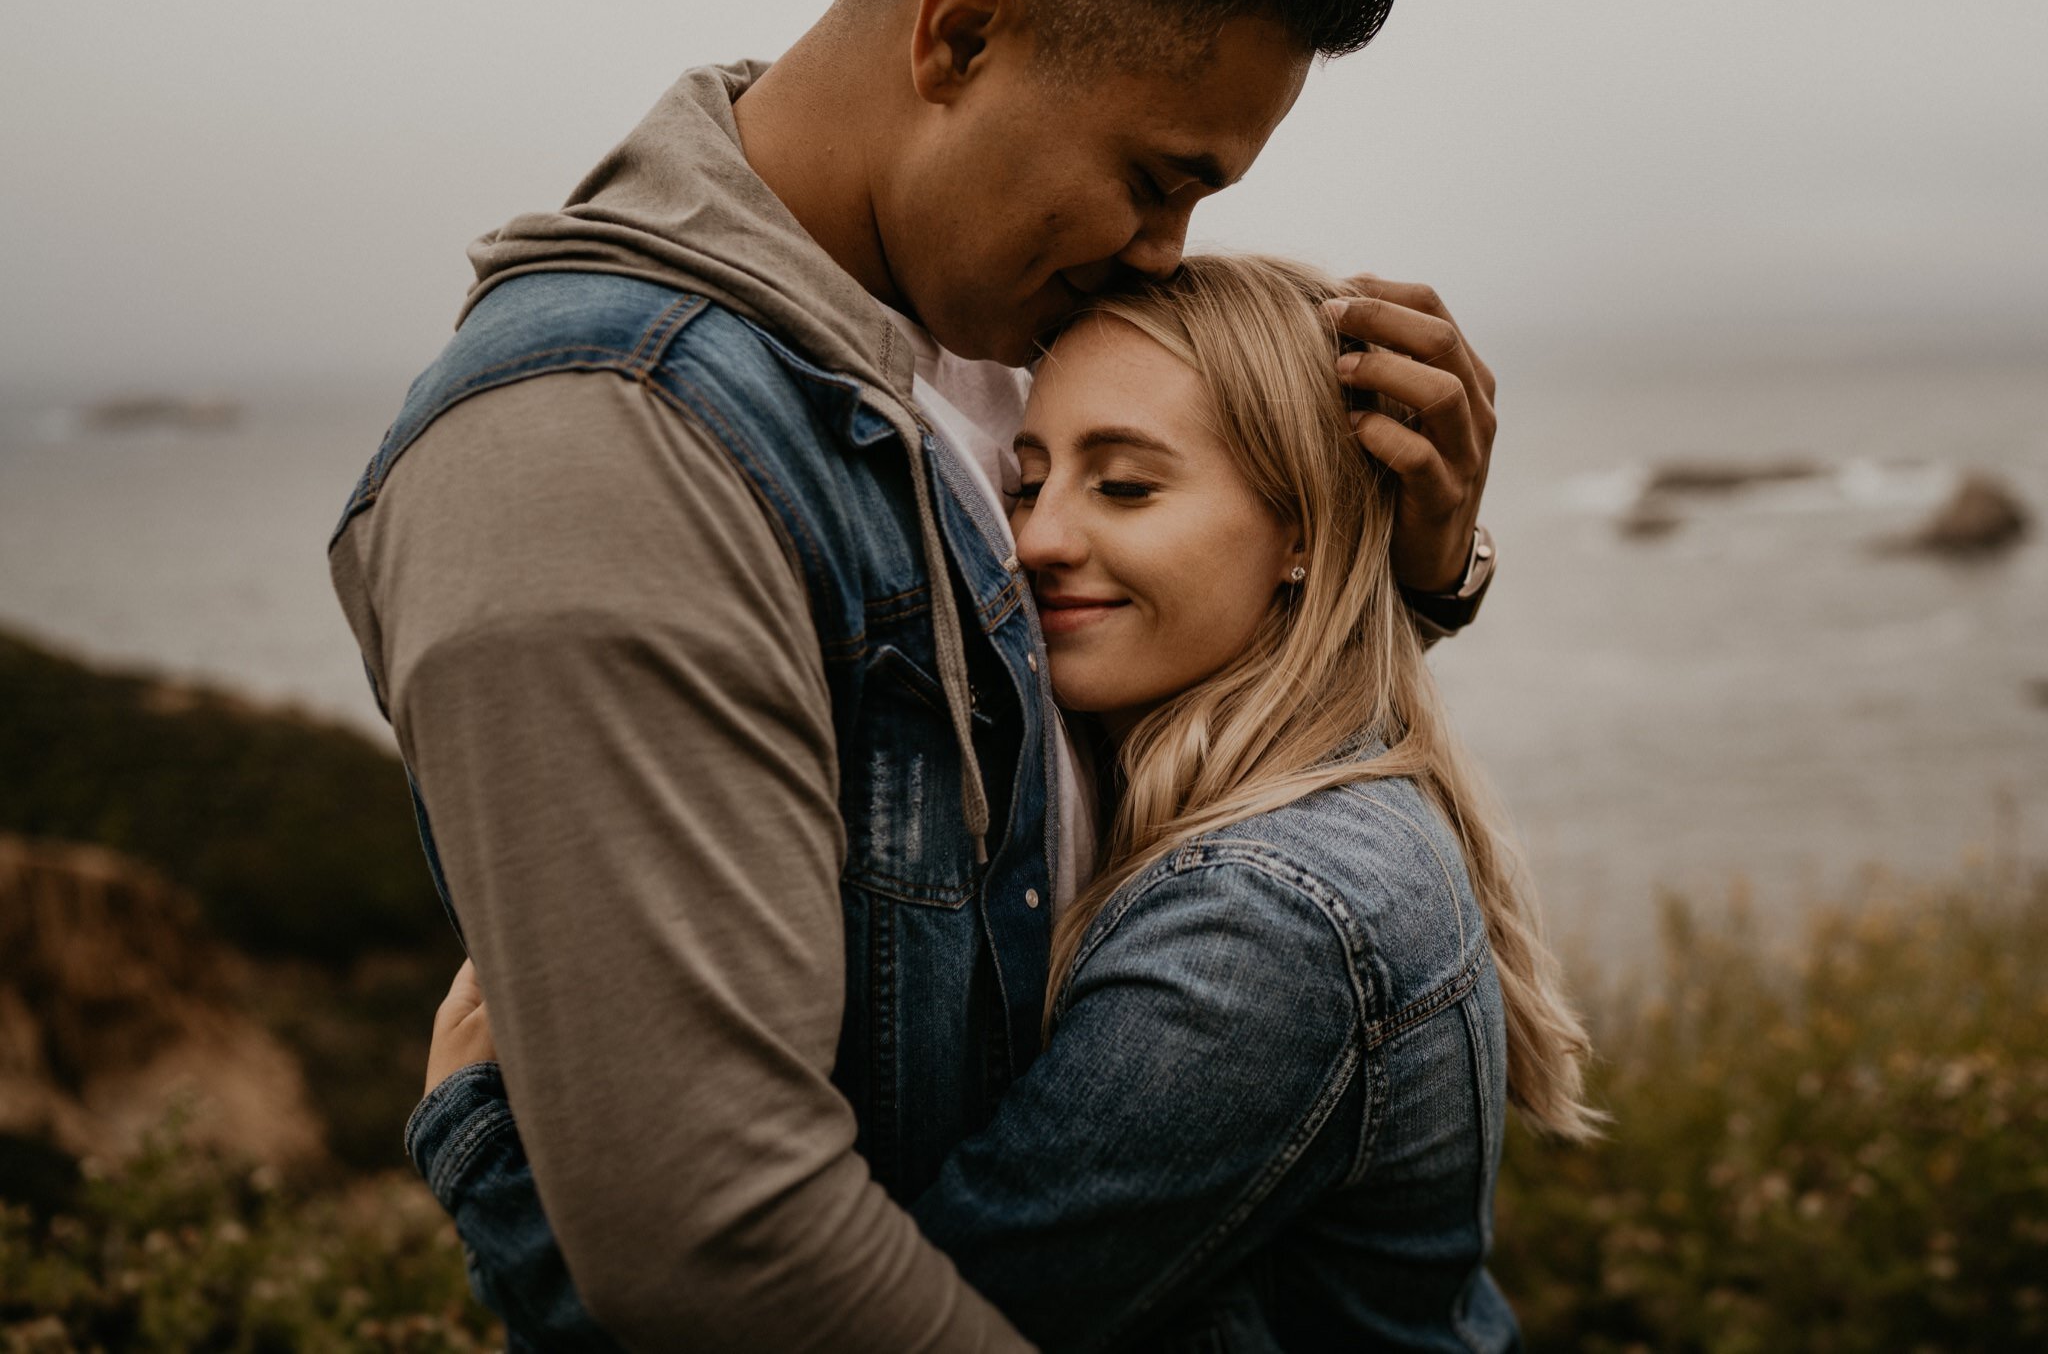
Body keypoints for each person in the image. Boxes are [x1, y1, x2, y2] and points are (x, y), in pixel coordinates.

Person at [329, 0, 1502, 1348]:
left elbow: (1151, 738)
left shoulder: (985, 315)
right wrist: (484, 1148)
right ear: (958, 32)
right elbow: (725, 1260)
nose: (1167, 253)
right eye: (1152, 178)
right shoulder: (597, 450)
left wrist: (1401, 577)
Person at [413, 255, 1597, 1351]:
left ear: (1300, 532)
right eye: (1026, 483)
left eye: (1125, 486)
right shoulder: (1323, 782)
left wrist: (485, 1152)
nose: (1036, 540)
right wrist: (1428, 579)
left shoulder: (1266, 928)